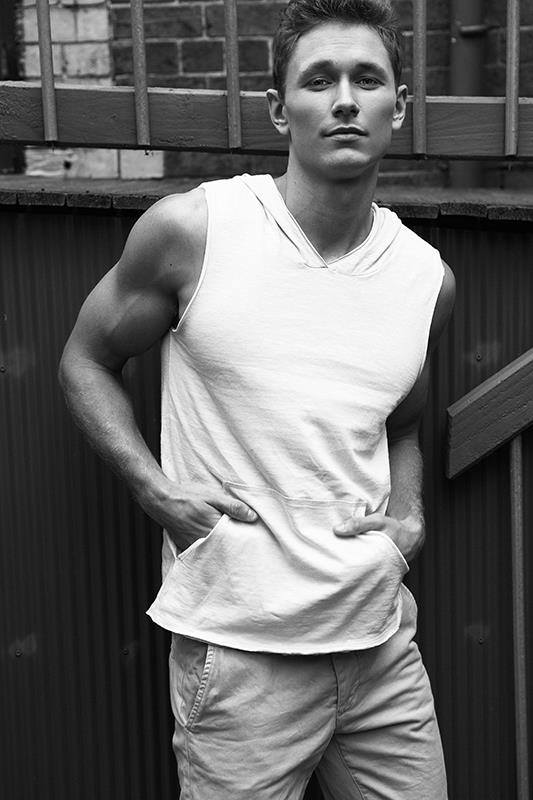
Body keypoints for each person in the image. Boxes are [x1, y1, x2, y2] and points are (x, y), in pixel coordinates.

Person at [59, 0, 455, 797]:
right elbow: (84, 361)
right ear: (279, 108)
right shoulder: (196, 231)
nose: (343, 100)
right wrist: (154, 488)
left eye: (366, 79)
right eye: (318, 80)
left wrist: (407, 519)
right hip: (241, 657)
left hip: (380, 645)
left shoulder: (425, 278)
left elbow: (403, 423)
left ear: (398, 106)